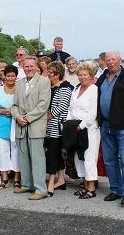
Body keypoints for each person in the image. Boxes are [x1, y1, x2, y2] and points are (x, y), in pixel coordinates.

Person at [96, 51, 124, 207]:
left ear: (120, 60)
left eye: (113, 60)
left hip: (123, 127)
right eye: (108, 60)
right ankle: (115, 189)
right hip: (105, 125)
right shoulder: (102, 77)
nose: (110, 62)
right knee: (109, 161)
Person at [11, 56, 51, 200]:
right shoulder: (19, 83)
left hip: (36, 125)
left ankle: (41, 189)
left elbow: (43, 105)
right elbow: (14, 105)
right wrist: (17, 117)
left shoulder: (44, 81)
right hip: (21, 125)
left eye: (31, 66)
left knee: (37, 158)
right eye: (26, 66)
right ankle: (27, 185)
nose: (29, 68)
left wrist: (26, 118)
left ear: (36, 67)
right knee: (23, 157)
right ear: (23, 68)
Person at [67, 62, 100, 199]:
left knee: (88, 158)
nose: (82, 77)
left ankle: (91, 189)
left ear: (91, 76)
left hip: (89, 129)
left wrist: (80, 126)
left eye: (85, 75)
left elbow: (92, 113)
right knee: (78, 158)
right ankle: (85, 185)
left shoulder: (94, 89)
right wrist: (69, 124)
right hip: (75, 128)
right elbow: (71, 109)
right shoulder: (76, 89)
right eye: (80, 75)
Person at [45, 61, 73, 196]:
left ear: (57, 74)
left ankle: (51, 181)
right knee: (54, 153)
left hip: (57, 126)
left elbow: (62, 106)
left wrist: (46, 116)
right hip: (48, 126)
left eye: (50, 73)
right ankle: (61, 179)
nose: (48, 75)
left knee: (52, 153)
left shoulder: (65, 88)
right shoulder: (49, 87)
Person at [0, 65, 21, 189]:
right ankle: (4, 178)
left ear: (16, 77)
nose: (10, 78)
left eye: (12, 76)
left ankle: (17, 179)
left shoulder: (20, 89)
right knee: (2, 151)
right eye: (8, 75)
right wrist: (3, 112)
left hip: (16, 123)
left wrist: (14, 112)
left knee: (16, 151)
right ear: (4, 77)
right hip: (2, 122)